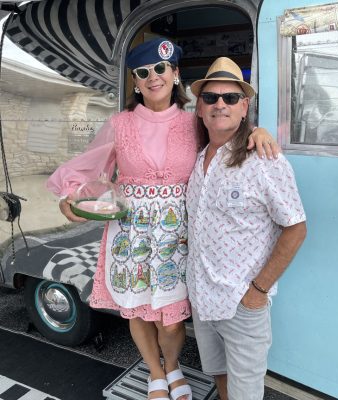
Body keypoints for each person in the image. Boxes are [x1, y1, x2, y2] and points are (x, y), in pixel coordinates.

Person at [46, 39, 279, 400]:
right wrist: (70, 196)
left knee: (170, 319)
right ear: (136, 82)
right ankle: (154, 372)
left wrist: (258, 131)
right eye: (143, 72)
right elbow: (89, 166)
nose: (153, 77)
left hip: (176, 238)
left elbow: (228, 131)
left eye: (160, 68)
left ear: (175, 74)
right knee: (138, 312)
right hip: (130, 234)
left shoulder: (194, 121)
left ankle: (172, 366)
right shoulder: (120, 124)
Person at [186, 57, 307, 400]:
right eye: (210, 97)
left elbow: (296, 228)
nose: (220, 104)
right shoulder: (199, 158)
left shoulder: (265, 160)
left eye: (230, 97)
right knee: (219, 377)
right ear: (199, 108)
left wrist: (257, 291)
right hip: (202, 297)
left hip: (241, 303)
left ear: (244, 107)